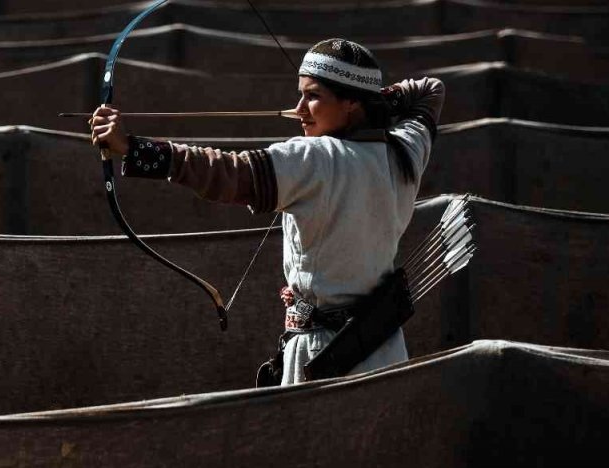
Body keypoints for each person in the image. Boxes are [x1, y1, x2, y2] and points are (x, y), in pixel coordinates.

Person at [89, 38, 445, 386]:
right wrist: (375, 101)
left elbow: (227, 172)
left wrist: (133, 148)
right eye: (301, 93)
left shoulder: (316, 158)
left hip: (324, 359)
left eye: (314, 96)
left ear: (350, 103)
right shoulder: (406, 150)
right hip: (386, 353)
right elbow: (431, 89)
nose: (300, 108)